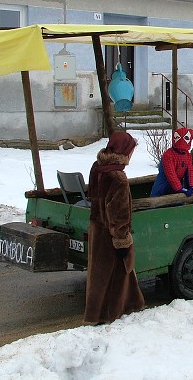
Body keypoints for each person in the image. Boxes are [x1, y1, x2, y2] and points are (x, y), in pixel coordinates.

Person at [83, 131, 145, 325]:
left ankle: (124, 306)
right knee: (114, 274)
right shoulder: (118, 178)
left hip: (97, 227)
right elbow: (118, 213)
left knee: (100, 273)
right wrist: (122, 241)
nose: (131, 155)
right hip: (111, 233)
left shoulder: (98, 167)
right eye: (131, 151)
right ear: (124, 151)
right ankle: (107, 314)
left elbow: (94, 196)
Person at [150, 127, 193, 197]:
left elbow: (190, 171)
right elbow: (170, 173)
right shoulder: (168, 155)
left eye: (186, 138)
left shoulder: (187, 156)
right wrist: (179, 188)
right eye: (178, 138)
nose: (182, 141)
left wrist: (192, 185)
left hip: (178, 184)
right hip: (163, 185)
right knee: (157, 203)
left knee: (178, 204)